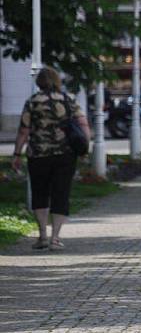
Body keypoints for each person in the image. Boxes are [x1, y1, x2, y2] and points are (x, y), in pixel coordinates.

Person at [12, 67, 91, 250]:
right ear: (57, 80)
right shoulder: (68, 99)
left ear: (39, 82)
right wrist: (85, 147)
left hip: (38, 154)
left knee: (40, 193)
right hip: (65, 154)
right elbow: (83, 123)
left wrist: (17, 154)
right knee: (61, 193)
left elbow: (24, 130)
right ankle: (56, 238)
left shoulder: (32, 102)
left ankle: (42, 236)